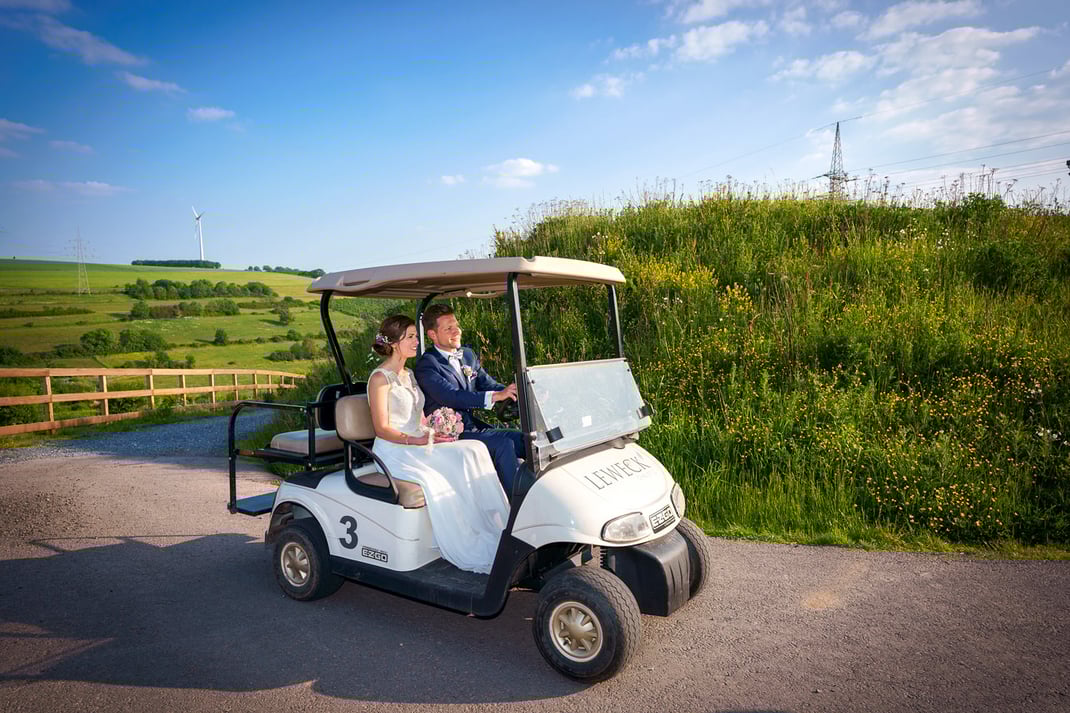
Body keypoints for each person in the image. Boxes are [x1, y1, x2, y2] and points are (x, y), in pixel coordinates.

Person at [367, 314, 509, 575]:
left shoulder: (408, 374)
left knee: (474, 450)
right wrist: (417, 439)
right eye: (410, 337)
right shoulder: (380, 378)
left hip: (419, 440)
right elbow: (382, 428)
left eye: (415, 336)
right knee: (453, 467)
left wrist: (436, 430)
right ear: (395, 342)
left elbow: (418, 415)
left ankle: (496, 526)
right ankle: (464, 537)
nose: (416, 341)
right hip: (395, 449)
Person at [413, 304, 527, 493]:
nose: (456, 331)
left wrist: (517, 391)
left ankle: (535, 492)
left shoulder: (467, 354)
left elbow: (487, 384)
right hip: (450, 434)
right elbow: (451, 396)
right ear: (433, 334)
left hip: (473, 427)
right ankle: (518, 505)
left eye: (456, 325)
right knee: (503, 445)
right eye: (448, 328)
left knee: (525, 440)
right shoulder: (427, 365)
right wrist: (496, 396)